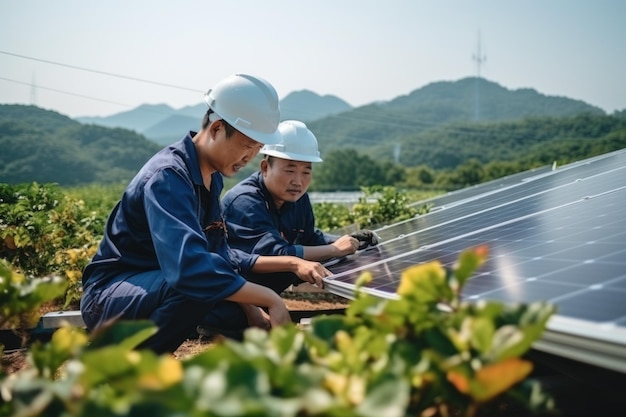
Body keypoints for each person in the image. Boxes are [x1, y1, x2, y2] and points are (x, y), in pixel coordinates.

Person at [79, 74, 331, 354]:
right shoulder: (169, 176)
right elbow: (189, 268)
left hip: (150, 285)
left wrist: (253, 311)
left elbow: (220, 255)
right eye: (247, 146)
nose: (249, 158)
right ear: (217, 129)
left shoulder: (211, 178)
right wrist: (270, 298)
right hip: (110, 294)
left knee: (232, 311)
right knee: (193, 285)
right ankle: (138, 367)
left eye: (257, 149)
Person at [221, 120, 378, 294]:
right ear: (265, 168)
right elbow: (276, 254)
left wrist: (349, 241)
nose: (298, 181)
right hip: (231, 299)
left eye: (306, 172)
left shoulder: (298, 199)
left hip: (264, 296)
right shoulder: (245, 201)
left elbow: (310, 238)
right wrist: (335, 249)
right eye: (290, 170)